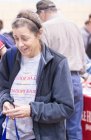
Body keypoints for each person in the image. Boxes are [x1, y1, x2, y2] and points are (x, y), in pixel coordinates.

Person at [0, 9, 74, 140]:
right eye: (16, 38)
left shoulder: (57, 62)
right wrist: (5, 101)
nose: (20, 44)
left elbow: (65, 108)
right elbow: (2, 88)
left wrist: (32, 110)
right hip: (11, 134)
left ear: (39, 34)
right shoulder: (9, 56)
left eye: (25, 38)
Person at [36, 0, 90, 139]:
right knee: (74, 128)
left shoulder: (44, 27)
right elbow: (82, 52)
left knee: (56, 129)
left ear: (41, 13)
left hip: (57, 81)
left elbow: (44, 59)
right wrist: (83, 74)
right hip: (76, 79)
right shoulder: (73, 25)